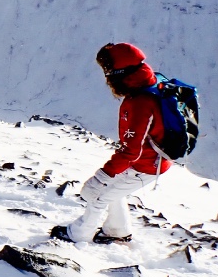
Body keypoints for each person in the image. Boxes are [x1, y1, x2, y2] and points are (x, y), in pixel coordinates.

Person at [57, 43, 171, 244]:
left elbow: (131, 152)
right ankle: (118, 231)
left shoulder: (140, 103)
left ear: (120, 73)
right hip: (150, 161)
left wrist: (100, 178)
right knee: (114, 191)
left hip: (145, 165)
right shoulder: (149, 83)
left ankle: (78, 235)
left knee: (99, 197)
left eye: (108, 71)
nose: (106, 77)